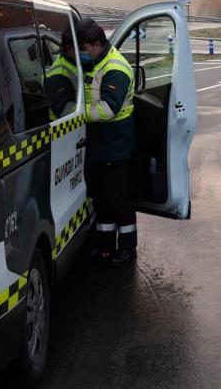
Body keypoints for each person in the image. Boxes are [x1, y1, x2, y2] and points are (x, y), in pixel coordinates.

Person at [76, 18, 138, 267]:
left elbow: (108, 108)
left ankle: (126, 248)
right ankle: (104, 247)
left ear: (96, 45)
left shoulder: (116, 68)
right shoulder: (94, 63)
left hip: (116, 145)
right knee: (101, 199)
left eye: (84, 48)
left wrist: (76, 114)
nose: (81, 53)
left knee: (119, 199)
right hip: (98, 145)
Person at [45, 29, 78, 120]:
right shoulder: (57, 74)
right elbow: (66, 110)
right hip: (64, 129)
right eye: (80, 48)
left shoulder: (74, 62)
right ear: (68, 49)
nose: (83, 51)